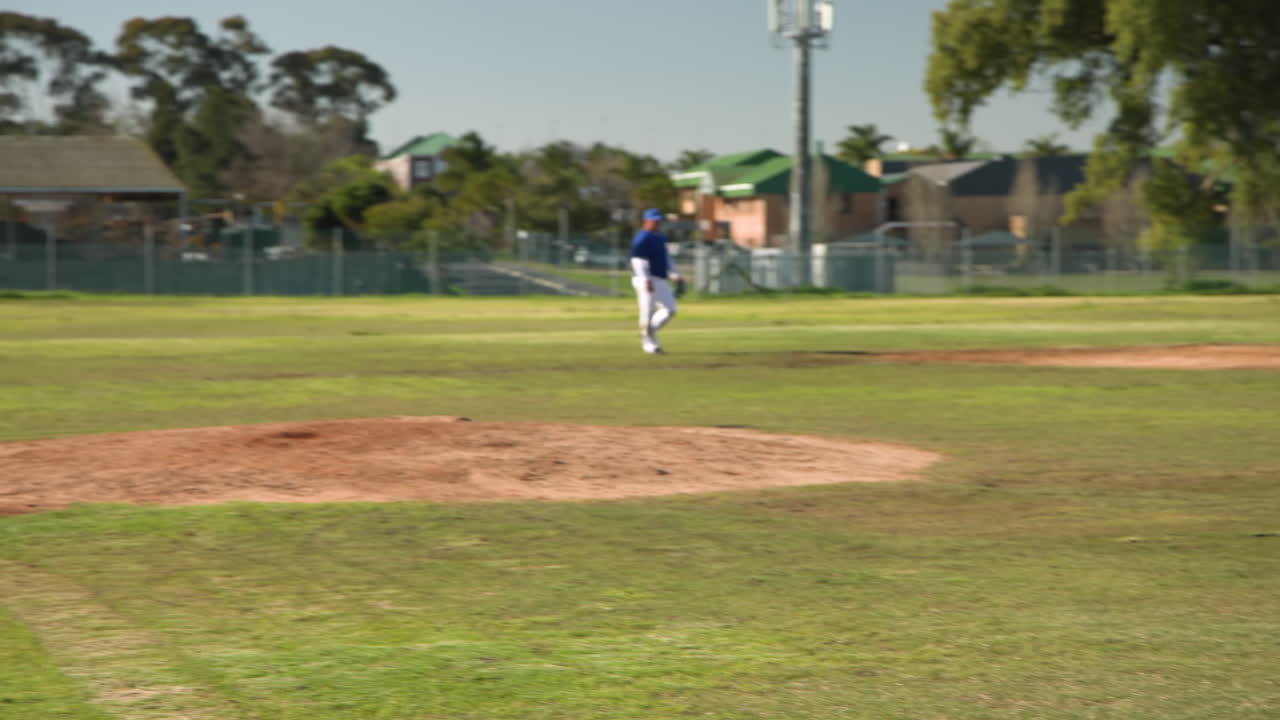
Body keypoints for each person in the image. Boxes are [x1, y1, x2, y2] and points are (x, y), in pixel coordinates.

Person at [629, 208, 681, 354]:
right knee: (648, 311)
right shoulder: (641, 238)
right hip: (644, 278)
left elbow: (666, 259)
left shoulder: (660, 237)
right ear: (646, 221)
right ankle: (649, 345)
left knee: (670, 310)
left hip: (660, 278)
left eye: (658, 220)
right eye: (654, 220)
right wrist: (646, 280)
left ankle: (648, 330)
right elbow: (637, 261)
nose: (657, 222)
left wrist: (675, 275)